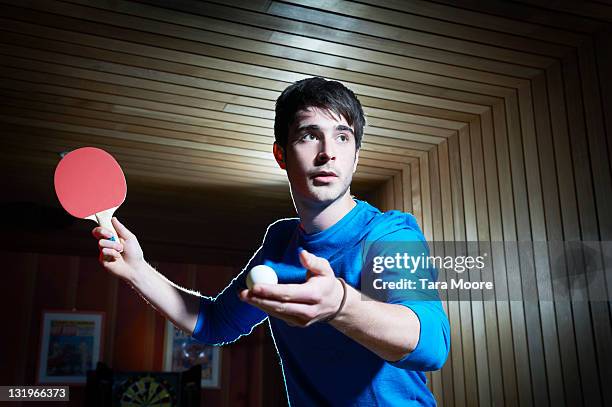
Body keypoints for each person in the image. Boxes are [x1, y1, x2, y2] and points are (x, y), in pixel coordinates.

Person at [93, 77, 450, 406]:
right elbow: (215, 323)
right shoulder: (280, 240)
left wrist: (341, 304)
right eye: (309, 135)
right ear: (281, 154)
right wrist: (137, 270)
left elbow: (432, 345)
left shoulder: (392, 234)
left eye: (342, 136)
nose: (328, 152)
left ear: (356, 156)